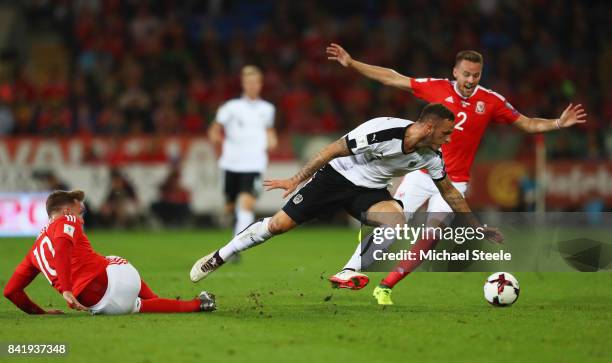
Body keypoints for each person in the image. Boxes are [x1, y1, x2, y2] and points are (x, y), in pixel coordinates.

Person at [326, 43, 587, 304]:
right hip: (421, 172)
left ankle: (386, 286)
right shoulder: (437, 87)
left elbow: (526, 123)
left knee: (432, 235)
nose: (470, 80)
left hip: (455, 182)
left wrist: (557, 123)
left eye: (476, 75)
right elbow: (393, 78)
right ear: (455, 72)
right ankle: (349, 270)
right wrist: (352, 63)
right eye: (466, 74)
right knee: (392, 223)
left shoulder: (491, 100)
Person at [189, 104, 503, 285]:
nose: (448, 140)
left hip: (368, 192)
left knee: (397, 220)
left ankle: (349, 271)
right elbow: (331, 149)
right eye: (446, 133)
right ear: (428, 127)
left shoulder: (431, 156)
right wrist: (296, 179)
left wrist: (476, 226)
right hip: (335, 178)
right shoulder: (383, 130)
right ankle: (221, 255)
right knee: (277, 227)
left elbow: (448, 191)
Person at [4, 190, 216, 315]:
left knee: (138, 306)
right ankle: (165, 299)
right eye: (81, 212)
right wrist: (67, 289)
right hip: (109, 281)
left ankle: (198, 304)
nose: (83, 219)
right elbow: (61, 247)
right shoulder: (66, 220)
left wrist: (41, 314)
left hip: (96, 304)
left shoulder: (34, 252)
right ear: (67, 212)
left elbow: (11, 292)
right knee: (112, 258)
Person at [208, 65, 278, 237]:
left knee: (247, 203)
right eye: (249, 82)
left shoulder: (268, 109)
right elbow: (214, 129)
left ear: (260, 85)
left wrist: (272, 140)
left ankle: (236, 244)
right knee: (230, 206)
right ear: (243, 84)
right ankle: (234, 226)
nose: (252, 86)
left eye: (255, 82)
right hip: (231, 163)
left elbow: (269, 130)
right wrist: (215, 137)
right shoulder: (230, 107)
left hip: (254, 163)